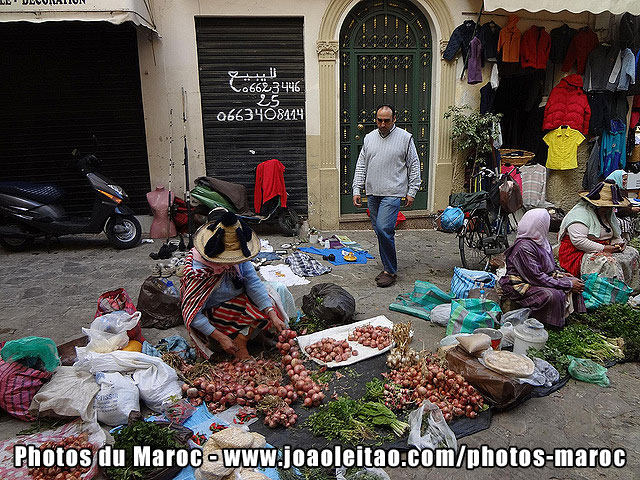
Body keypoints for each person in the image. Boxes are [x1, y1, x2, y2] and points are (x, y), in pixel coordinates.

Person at [180, 211, 286, 360]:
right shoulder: (198, 271)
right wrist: (220, 337)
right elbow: (192, 314)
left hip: (236, 304)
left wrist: (272, 315)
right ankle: (237, 344)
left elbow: (253, 282)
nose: (233, 263)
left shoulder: (239, 255)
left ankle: (245, 337)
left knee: (269, 303)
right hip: (214, 314)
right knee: (254, 308)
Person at [352, 104, 422, 287]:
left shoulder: (405, 138)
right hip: (373, 192)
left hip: (393, 192)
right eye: (379, 120)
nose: (382, 124)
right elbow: (361, 164)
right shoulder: (369, 138)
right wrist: (356, 189)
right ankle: (386, 267)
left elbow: (414, 165)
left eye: (386, 120)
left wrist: (412, 191)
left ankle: (390, 271)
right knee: (379, 231)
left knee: (384, 229)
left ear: (394, 120)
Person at [499, 209, 585, 328]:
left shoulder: (541, 241)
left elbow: (551, 267)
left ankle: (573, 320)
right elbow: (536, 277)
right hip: (521, 286)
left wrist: (563, 275)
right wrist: (568, 284)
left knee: (575, 281)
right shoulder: (524, 247)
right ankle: (548, 325)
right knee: (552, 294)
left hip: (537, 279)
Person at [558, 180, 640, 292]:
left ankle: (631, 289)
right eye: (605, 206)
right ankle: (610, 294)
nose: (608, 209)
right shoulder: (579, 214)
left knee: (632, 253)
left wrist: (618, 243)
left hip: (603, 247)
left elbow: (615, 232)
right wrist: (605, 249)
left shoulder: (608, 213)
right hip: (578, 252)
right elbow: (579, 241)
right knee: (609, 262)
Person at [605, 169, 640, 240]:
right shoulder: (610, 190)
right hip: (612, 215)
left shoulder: (622, 190)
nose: (625, 182)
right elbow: (615, 209)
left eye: (626, 180)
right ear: (617, 178)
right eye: (624, 179)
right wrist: (631, 210)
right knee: (624, 223)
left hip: (624, 214)